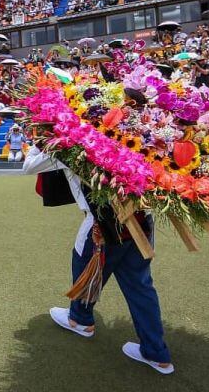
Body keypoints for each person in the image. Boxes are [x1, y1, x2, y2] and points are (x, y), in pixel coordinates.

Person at [23, 147, 173, 375]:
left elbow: (29, 166)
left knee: (86, 273)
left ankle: (80, 320)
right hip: (142, 222)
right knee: (140, 287)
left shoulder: (73, 143)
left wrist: (39, 140)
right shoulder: (126, 136)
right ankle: (156, 353)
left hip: (103, 228)